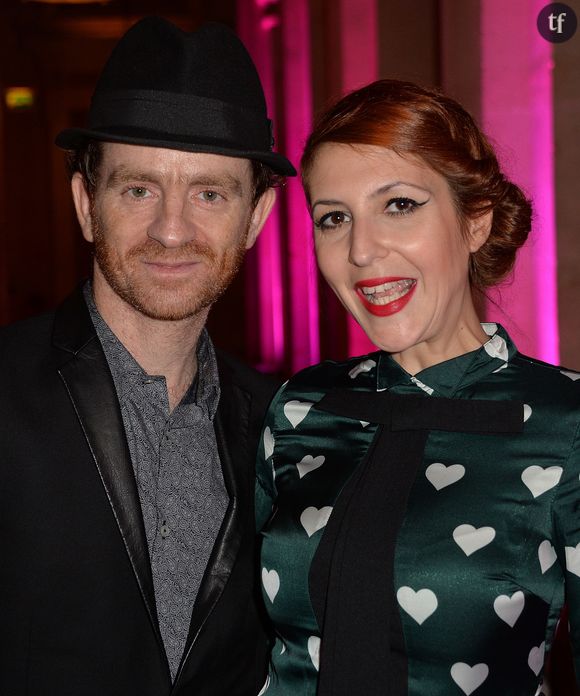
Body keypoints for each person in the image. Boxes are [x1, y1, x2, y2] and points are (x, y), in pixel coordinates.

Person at [0, 16, 295, 696]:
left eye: (210, 193)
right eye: (139, 189)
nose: (172, 229)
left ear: (255, 218)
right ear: (85, 204)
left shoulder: (289, 432)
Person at [256, 79, 580, 696]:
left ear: (476, 221)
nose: (361, 250)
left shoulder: (567, 422)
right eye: (334, 219)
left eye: (399, 205)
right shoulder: (300, 407)